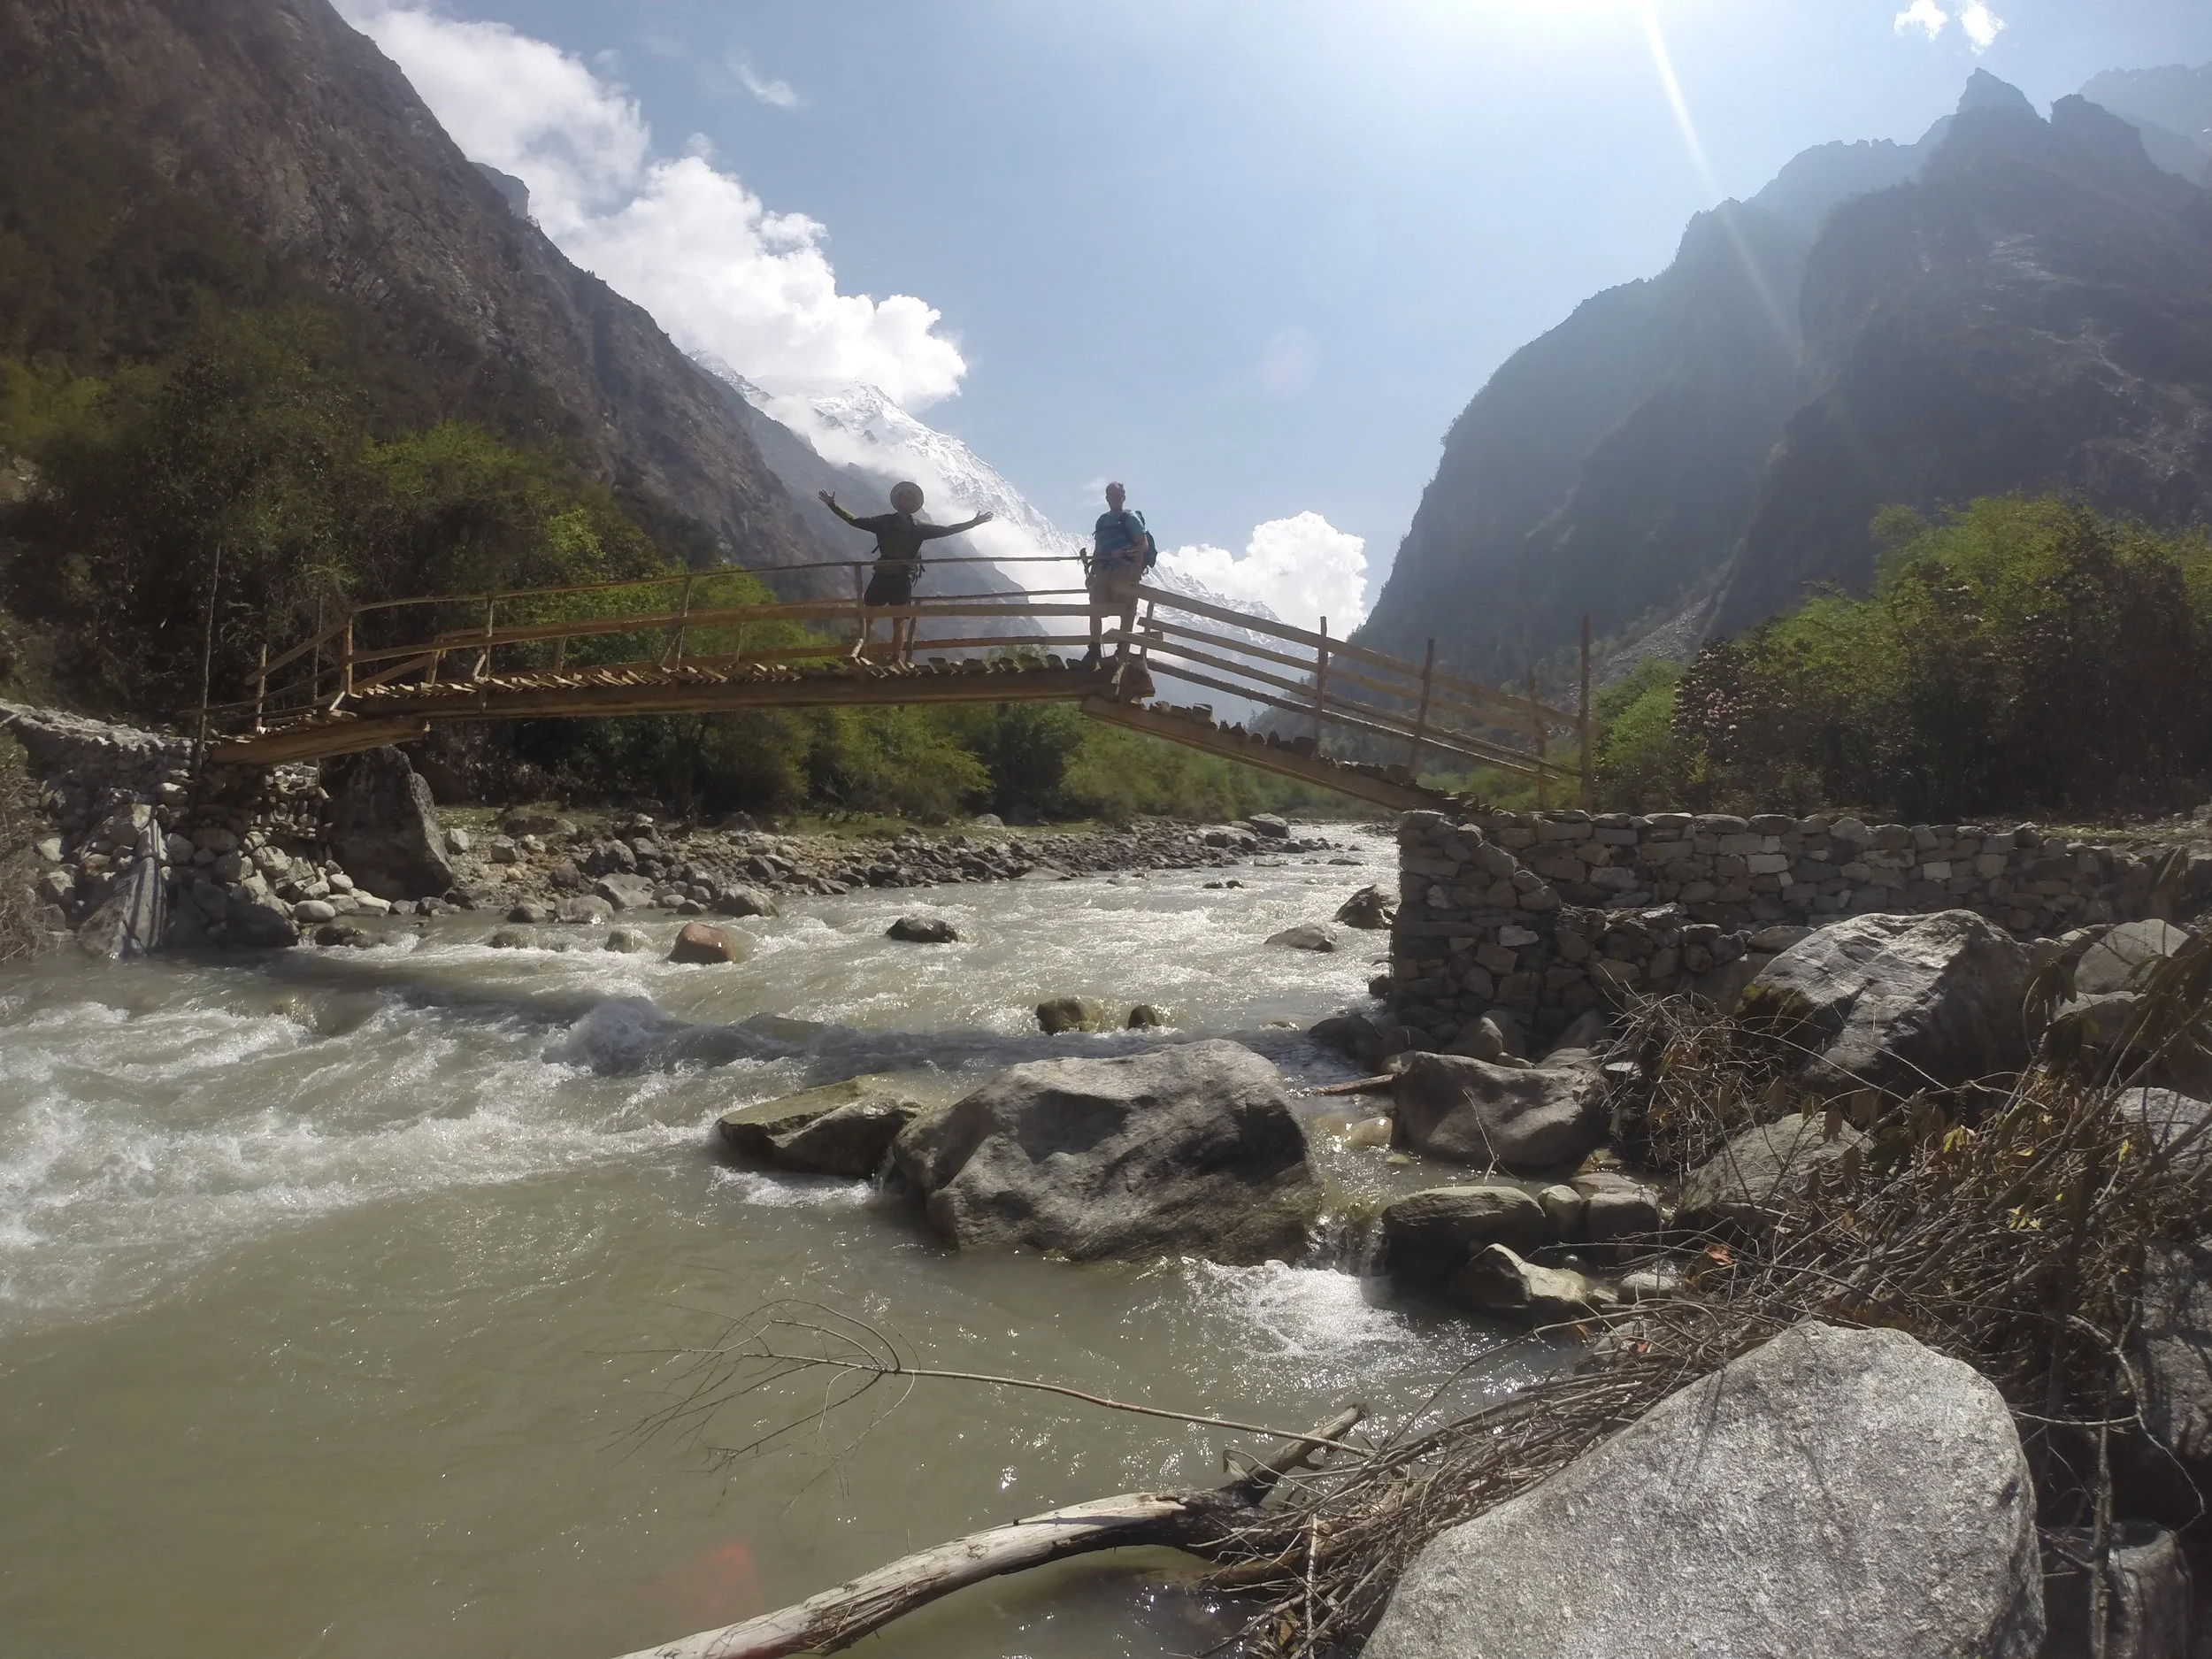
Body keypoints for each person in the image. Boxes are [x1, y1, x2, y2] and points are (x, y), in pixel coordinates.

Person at [818, 482, 992, 659]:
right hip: (883, 575)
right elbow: (855, 521)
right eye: (904, 498)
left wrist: (973, 523)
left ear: (913, 503)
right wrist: (833, 505)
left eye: (910, 499)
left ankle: (894, 659)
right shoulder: (883, 522)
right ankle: (863, 655)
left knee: (898, 622)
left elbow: (947, 530)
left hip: (902, 578)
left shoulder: (918, 527)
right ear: (899, 501)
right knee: (867, 618)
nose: (907, 501)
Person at [1084, 480, 1154, 669]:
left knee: (1126, 609)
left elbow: (1143, 545)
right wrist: (1092, 571)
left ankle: (1122, 648)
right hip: (1103, 569)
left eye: (1119, 496)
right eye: (1112, 496)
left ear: (1124, 498)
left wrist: (1123, 552)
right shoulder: (1102, 520)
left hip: (1125, 571)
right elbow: (1098, 547)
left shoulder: (1130, 518)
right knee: (1095, 607)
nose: (1116, 499)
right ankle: (1094, 649)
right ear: (1107, 498)